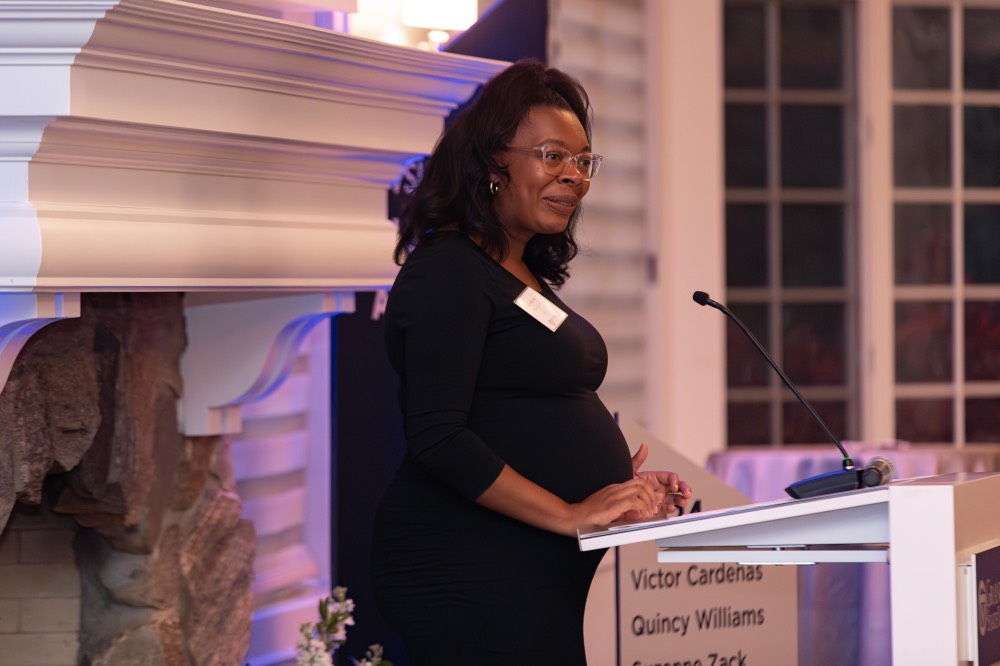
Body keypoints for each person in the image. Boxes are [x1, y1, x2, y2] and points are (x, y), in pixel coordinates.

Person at [370, 58, 693, 665]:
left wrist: (613, 485)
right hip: (470, 568)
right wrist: (574, 511)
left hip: (533, 563)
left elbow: (515, 415)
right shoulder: (448, 271)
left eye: (583, 162)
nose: (574, 177)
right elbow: (439, 436)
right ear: (493, 163)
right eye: (552, 156)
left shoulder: (520, 275)